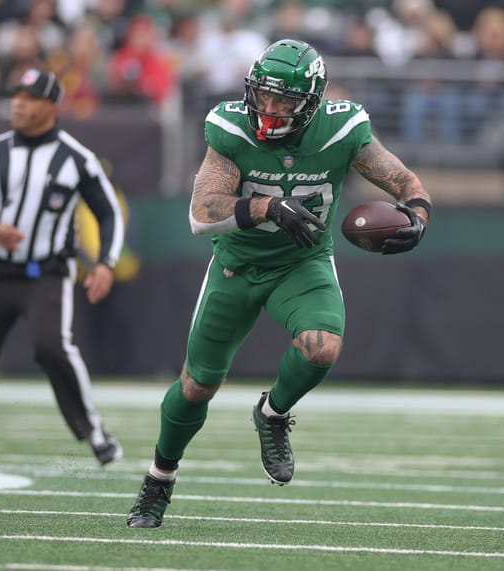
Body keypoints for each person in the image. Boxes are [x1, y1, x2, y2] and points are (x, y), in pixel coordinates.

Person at [126, 39, 431, 528]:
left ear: (311, 104)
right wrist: (268, 207)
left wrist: (417, 216)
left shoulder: (342, 129)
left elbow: (403, 181)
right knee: (197, 385)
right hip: (237, 265)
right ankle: (159, 477)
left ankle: (272, 413)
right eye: (262, 95)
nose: (268, 108)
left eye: (283, 100)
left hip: (301, 263)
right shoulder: (230, 128)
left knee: (322, 347)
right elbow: (202, 213)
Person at [0, 68, 126, 470]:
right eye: (17, 96)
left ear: (52, 107)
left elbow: (108, 213)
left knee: (51, 347)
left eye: (30, 98)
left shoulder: (76, 158)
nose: (18, 104)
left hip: (48, 271)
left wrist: (105, 264)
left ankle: (94, 433)